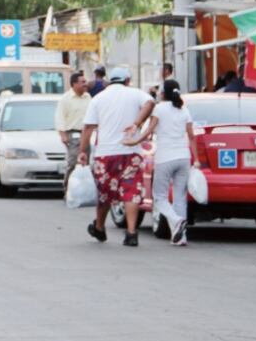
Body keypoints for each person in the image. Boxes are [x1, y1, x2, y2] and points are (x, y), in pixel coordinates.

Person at [77, 66, 154, 246]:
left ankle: (100, 227)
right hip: (131, 151)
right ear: (127, 80)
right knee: (131, 192)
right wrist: (137, 123)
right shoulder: (135, 93)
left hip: (105, 154)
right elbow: (150, 103)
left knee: (104, 193)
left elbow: (88, 127)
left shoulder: (98, 98)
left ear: (109, 81)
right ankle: (131, 232)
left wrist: (82, 152)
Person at [124, 79, 198, 246]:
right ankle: (180, 237)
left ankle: (176, 220)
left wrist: (134, 142)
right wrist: (197, 160)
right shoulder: (184, 110)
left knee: (159, 198)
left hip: (165, 158)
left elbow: (149, 131)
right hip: (184, 158)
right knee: (180, 198)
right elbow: (192, 137)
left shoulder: (159, 109)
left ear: (163, 92)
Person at [55, 71, 91, 189]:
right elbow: (60, 117)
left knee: (86, 161)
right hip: (73, 133)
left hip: (86, 133)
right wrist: (63, 134)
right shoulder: (66, 99)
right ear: (74, 84)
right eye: (82, 82)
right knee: (74, 161)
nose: (85, 84)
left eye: (85, 82)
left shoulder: (88, 97)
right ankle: (68, 188)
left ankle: (83, 189)